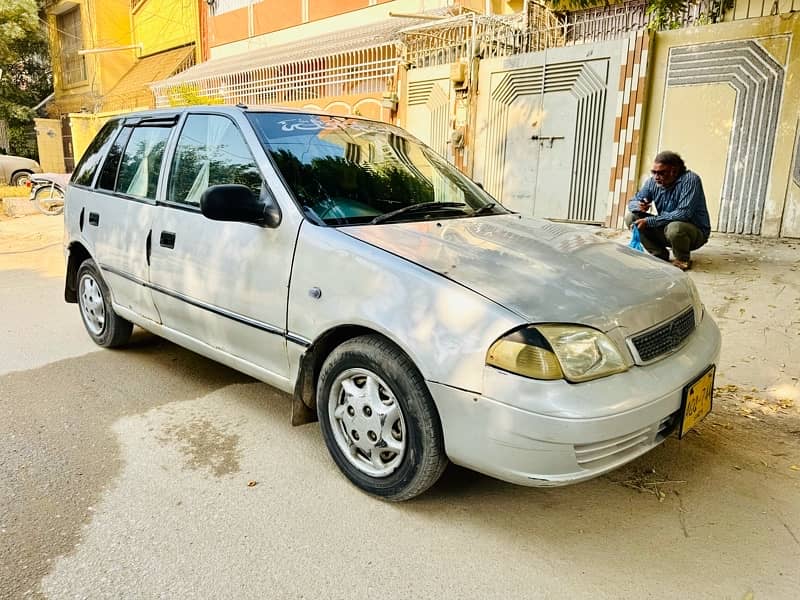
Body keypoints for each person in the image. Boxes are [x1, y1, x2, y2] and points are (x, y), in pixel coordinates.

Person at [625, 151, 711, 271]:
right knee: (632, 218)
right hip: (666, 228)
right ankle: (659, 254)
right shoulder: (652, 182)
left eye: (661, 173)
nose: (656, 177)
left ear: (674, 171)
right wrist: (638, 206)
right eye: (654, 172)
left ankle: (682, 259)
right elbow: (633, 202)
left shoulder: (690, 180)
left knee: (675, 227)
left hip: (693, 233)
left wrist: (649, 221)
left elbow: (683, 213)